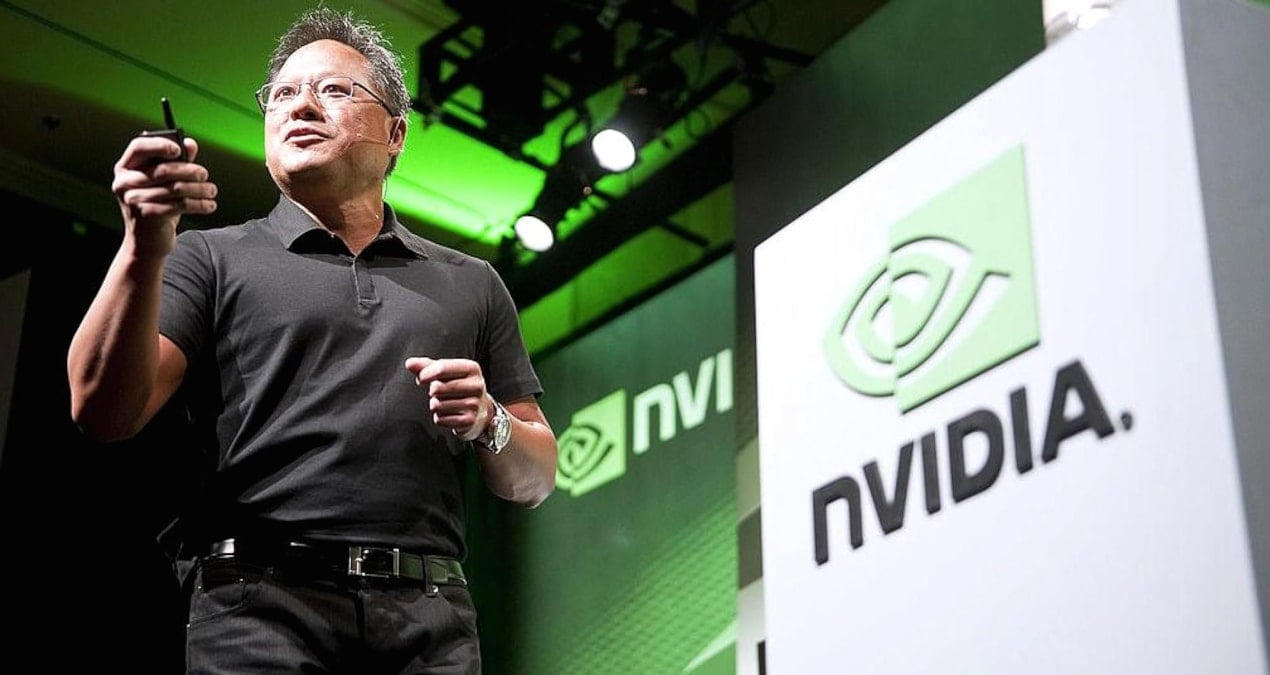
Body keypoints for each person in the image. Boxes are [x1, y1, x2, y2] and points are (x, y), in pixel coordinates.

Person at [66, 6, 558, 674]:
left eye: (333, 90)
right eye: (283, 94)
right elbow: (101, 408)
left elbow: (536, 478)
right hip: (258, 612)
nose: (300, 106)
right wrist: (142, 245)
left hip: (430, 623)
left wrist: (489, 419)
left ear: (396, 133)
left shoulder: (471, 281)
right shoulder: (210, 257)